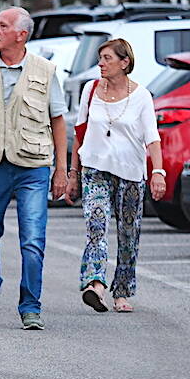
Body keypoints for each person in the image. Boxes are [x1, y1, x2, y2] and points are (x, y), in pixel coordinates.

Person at [0, 6, 67, 331]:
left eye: (2, 25)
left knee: (32, 241)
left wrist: (62, 170)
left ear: (21, 34)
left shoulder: (45, 70)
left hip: (34, 168)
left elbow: (58, 121)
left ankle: (30, 306)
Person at [66, 38, 164, 313]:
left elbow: (152, 138)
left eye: (107, 58)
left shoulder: (141, 95)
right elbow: (81, 132)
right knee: (96, 226)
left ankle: (122, 290)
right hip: (95, 169)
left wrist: (158, 171)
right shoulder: (91, 89)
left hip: (130, 172)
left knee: (128, 232)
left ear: (125, 63)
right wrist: (73, 174)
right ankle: (95, 284)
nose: (101, 64)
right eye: (100, 58)